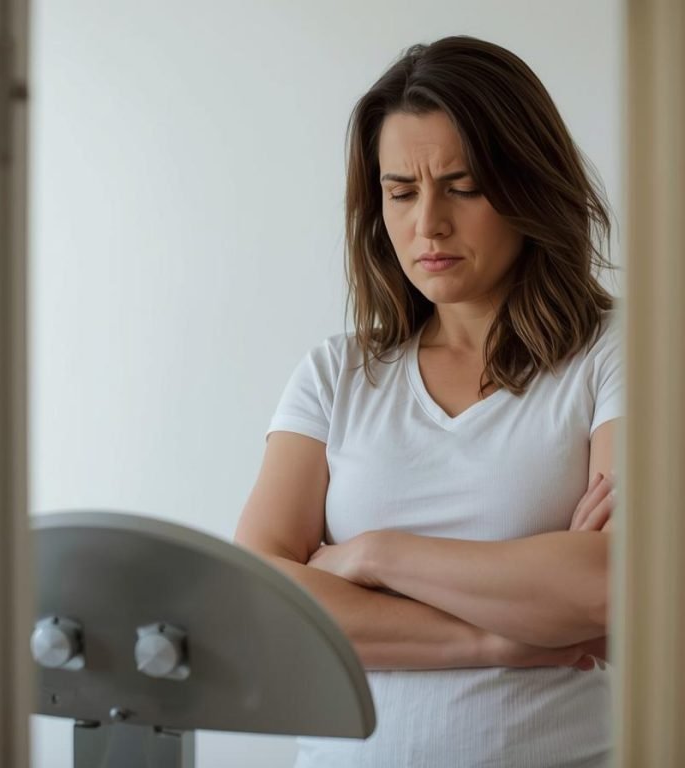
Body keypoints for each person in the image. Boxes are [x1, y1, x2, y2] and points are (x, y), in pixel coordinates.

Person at [234, 35, 620, 768]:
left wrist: (374, 554)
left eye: (463, 185)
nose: (428, 224)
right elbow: (261, 607)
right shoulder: (335, 373)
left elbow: (609, 585)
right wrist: (498, 636)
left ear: (528, 184)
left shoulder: (614, 351)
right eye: (401, 192)